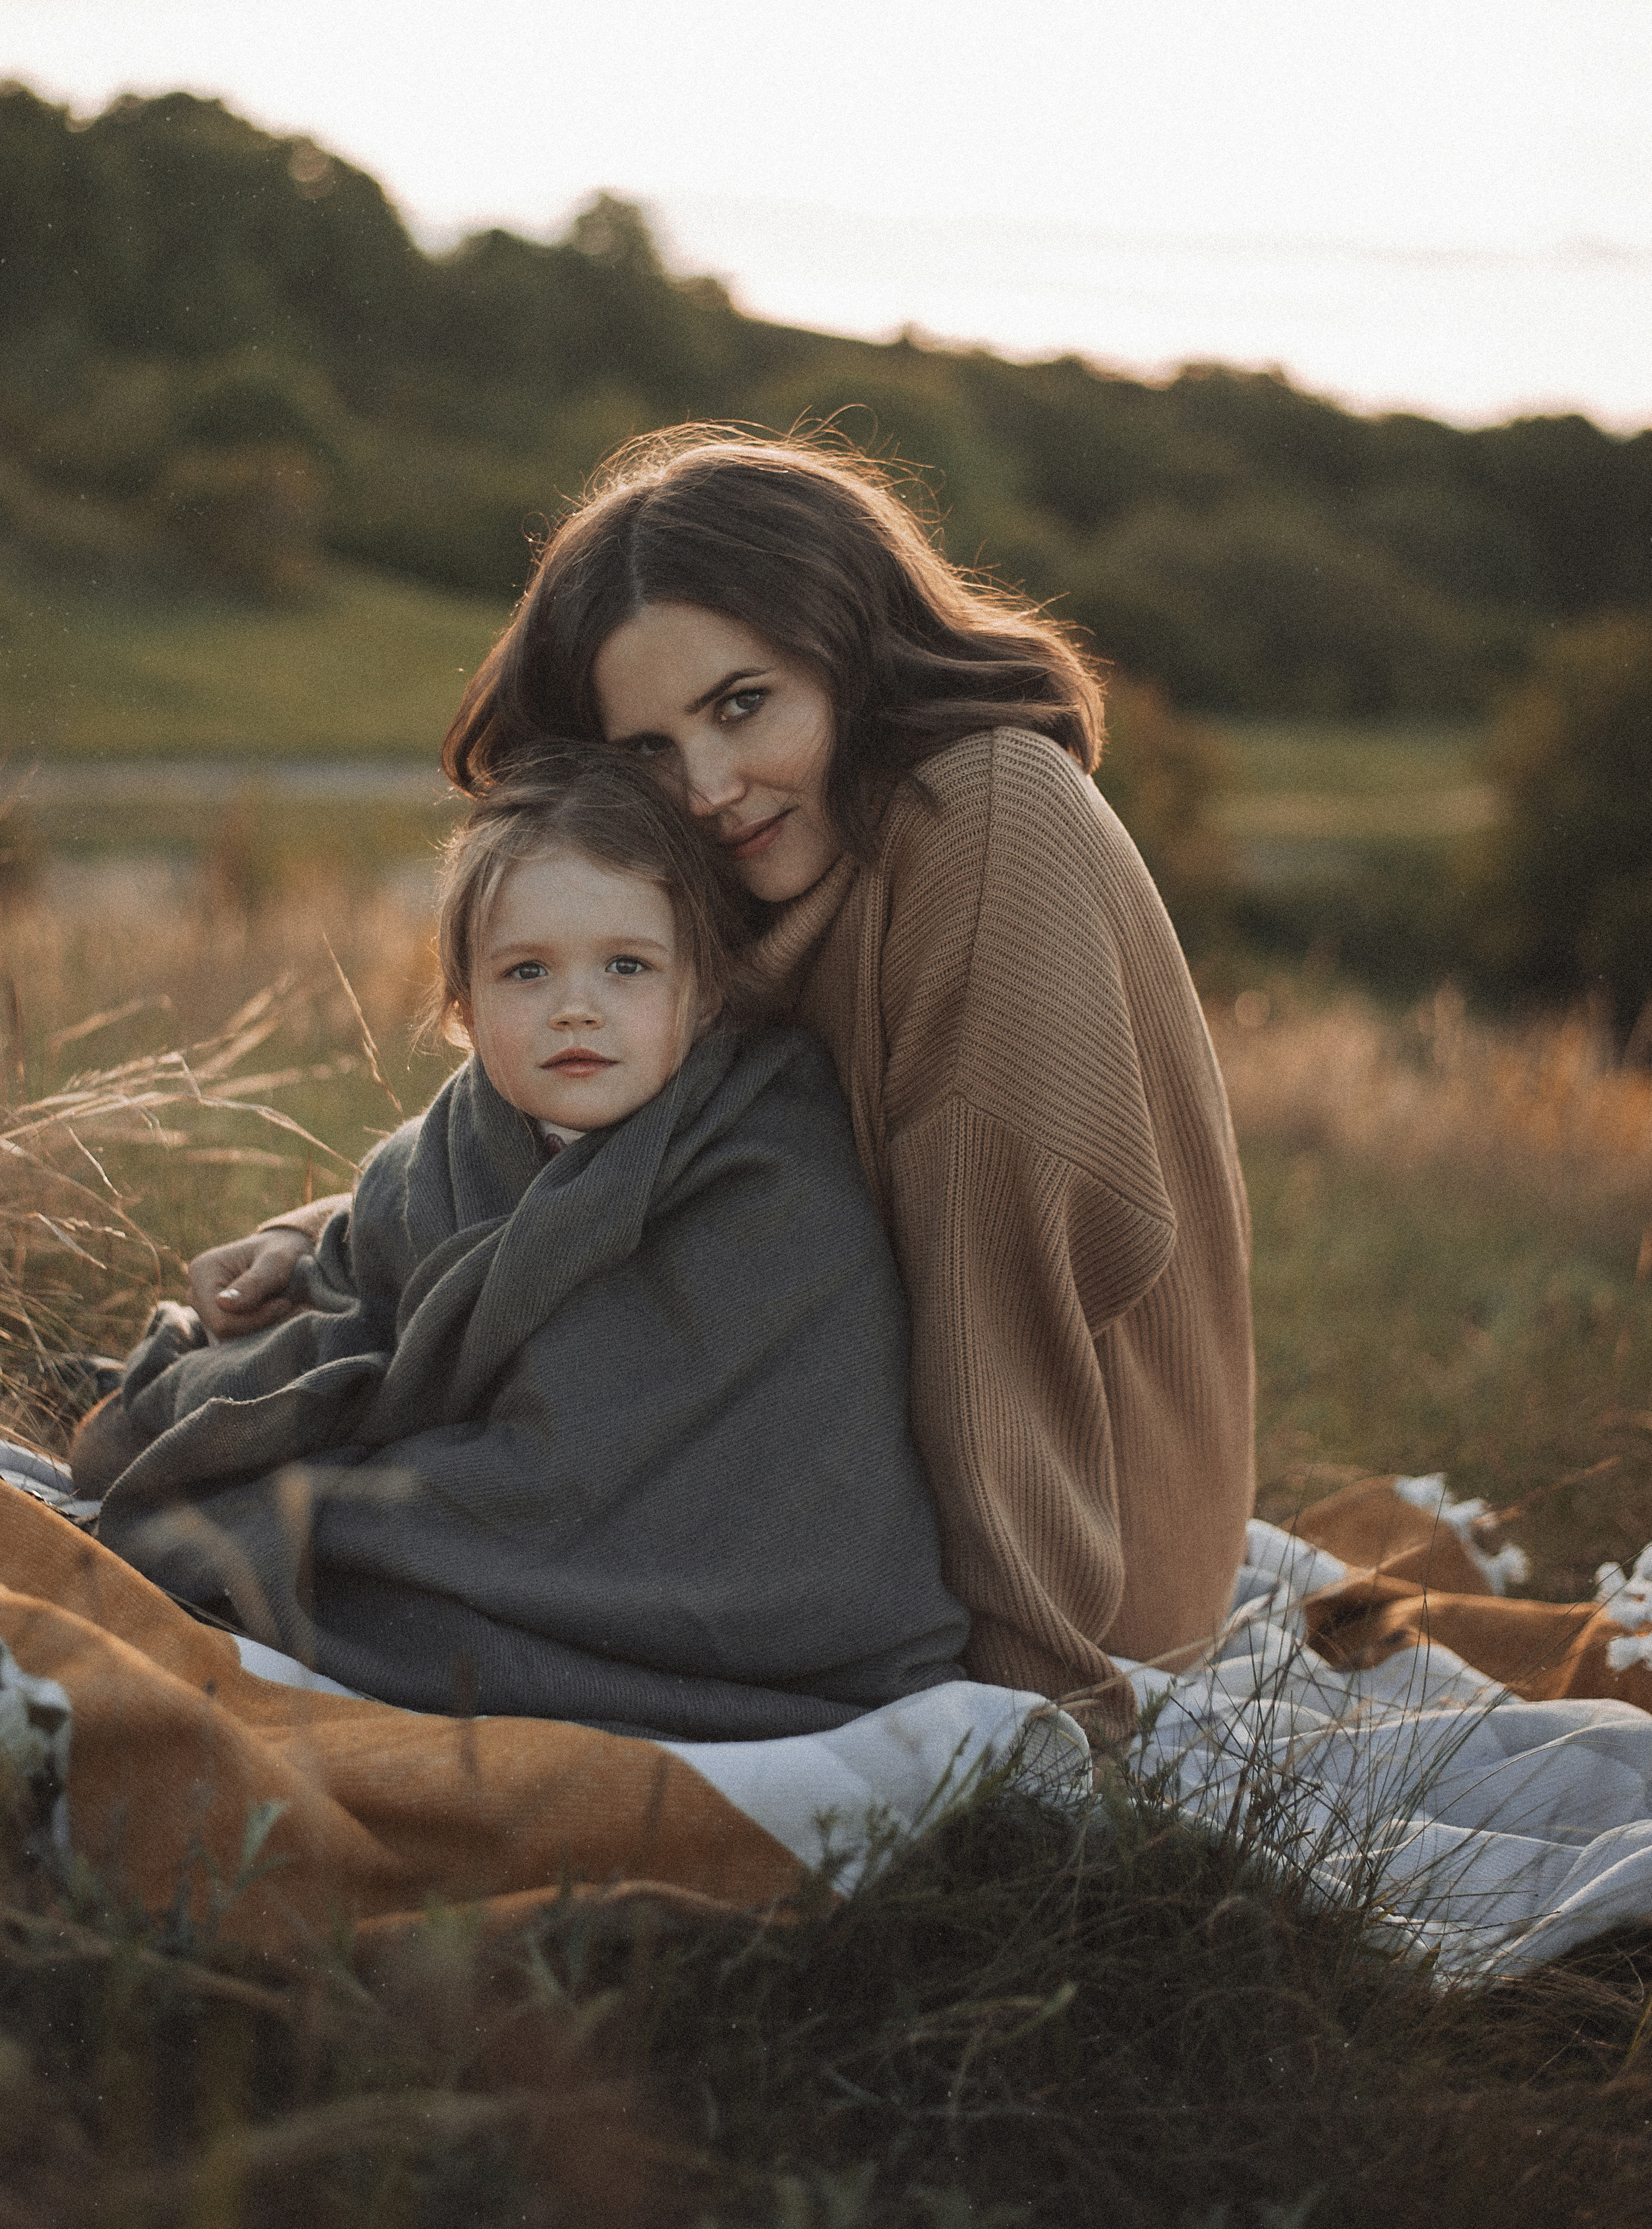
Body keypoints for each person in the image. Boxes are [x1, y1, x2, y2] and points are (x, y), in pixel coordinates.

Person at [191, 430, 1257, 1733]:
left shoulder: (980, 821)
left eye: (741, 704)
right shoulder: (770, 867)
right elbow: (622, 1113)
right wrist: (321, 1238)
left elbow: (1002, 1294)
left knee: (375, 1550)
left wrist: (1025, 1715)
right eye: (643, 750)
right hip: (842, 1474)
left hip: (1067, 1573)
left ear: (849, 650)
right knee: (329, 1480)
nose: (702, 786)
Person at [73, 743, 970, 1739]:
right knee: (193, 1447)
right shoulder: (452, 1147)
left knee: (286, 1534)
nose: (575, 1006)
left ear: (704, 992)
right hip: (494, 1500)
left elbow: (714, 1431)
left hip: (703, 1567)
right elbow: (371, 1293)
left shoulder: (771, 1170)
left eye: (626, 966)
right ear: (464, 1007)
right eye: (526, 970)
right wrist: (289, 1283)